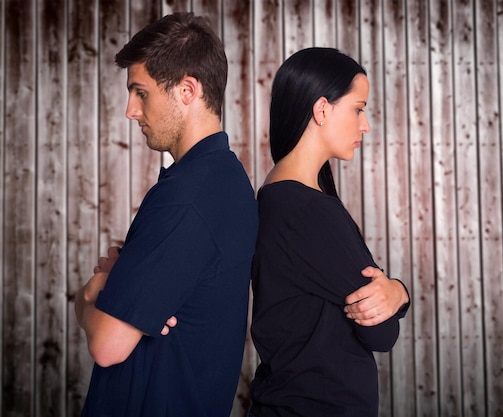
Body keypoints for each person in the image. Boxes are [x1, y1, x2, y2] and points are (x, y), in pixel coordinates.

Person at [74, 12, 258, 417]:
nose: (130, 111)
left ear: (187, 90)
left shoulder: (189, 197)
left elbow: (106, 344)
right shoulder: (220, 180)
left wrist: (92, 294)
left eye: (140, 92)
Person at [248, 47, 410, 417]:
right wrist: (399, 293)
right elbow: (382, 334)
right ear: (321, 110)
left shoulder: (278, 195)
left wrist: (397, 291)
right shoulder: (306, 210)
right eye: (358, 108)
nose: (365, 124)